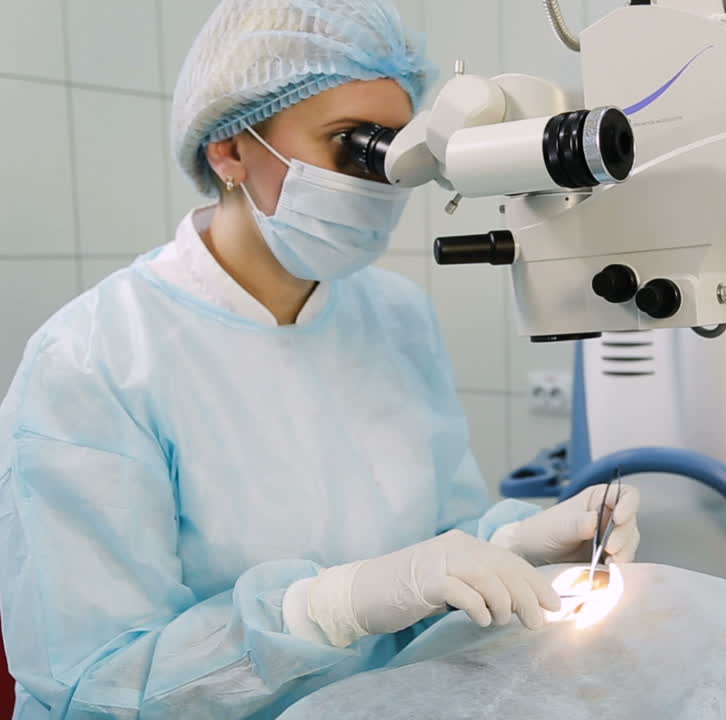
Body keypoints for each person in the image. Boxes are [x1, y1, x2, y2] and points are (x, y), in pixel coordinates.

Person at [0, 1, 639, 718]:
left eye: (396, 146)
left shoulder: (396, 316)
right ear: (230, 150)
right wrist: (329, 610)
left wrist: (516, 545)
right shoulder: (94, 360)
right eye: (349, 142)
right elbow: (99, 682)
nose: (381, 177)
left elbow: (432, 557)